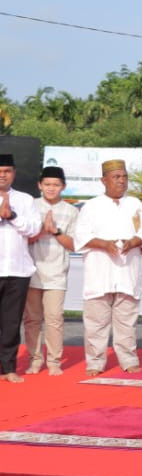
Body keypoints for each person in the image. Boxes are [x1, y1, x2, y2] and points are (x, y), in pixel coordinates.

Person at [73, 159, 142, 376]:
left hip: (127, 271)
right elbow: (81, 236)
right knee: (96, 323)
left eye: (124, 177)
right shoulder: (91, 206)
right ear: (104, 180)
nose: (121, 181)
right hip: (100, 272)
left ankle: (128, 359)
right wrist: (104, 244)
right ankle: (95, 362)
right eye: (116, 177)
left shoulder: (135, 205)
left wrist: (133, 242)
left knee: (127, 321)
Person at [24, 166, 76, 375]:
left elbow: (74, 244)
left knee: (54, 317)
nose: (51, 188)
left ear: (63, 187)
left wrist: (55, 231)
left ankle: (54, 361)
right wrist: (39, 232)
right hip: (30, 269)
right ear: (39, 185)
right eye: (47, 184)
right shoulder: (31, 206)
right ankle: (35, 359)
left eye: (56, 185)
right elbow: (23, 238)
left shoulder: (72, 211)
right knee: (31, 319)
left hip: (56, 272)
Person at [0, 153, 42, 382]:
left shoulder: (26, 200)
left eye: (7, 171)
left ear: (14, 173)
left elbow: (34, 229)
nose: (2, 175)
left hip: (18, 270)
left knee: (11, 322)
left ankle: (8, 369)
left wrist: (12, 215)